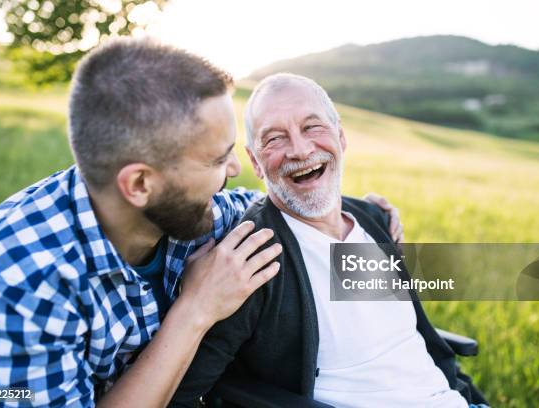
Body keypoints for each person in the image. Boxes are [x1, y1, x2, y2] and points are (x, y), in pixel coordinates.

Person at [0, 39, 402, 407]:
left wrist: (361, 214)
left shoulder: (196, 211)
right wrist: (196, 309)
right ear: (140, 183)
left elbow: (275, 202)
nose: (234, 169)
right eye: (217, 159)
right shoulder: (21, 277)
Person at [171, 74, 489, 407]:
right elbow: (186, 394)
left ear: (340, 137)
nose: (300, 149)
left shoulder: (372, 219)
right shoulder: (252, 259)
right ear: (256, 163)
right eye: (276, 138)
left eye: (312, 128)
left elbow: (381, 336)